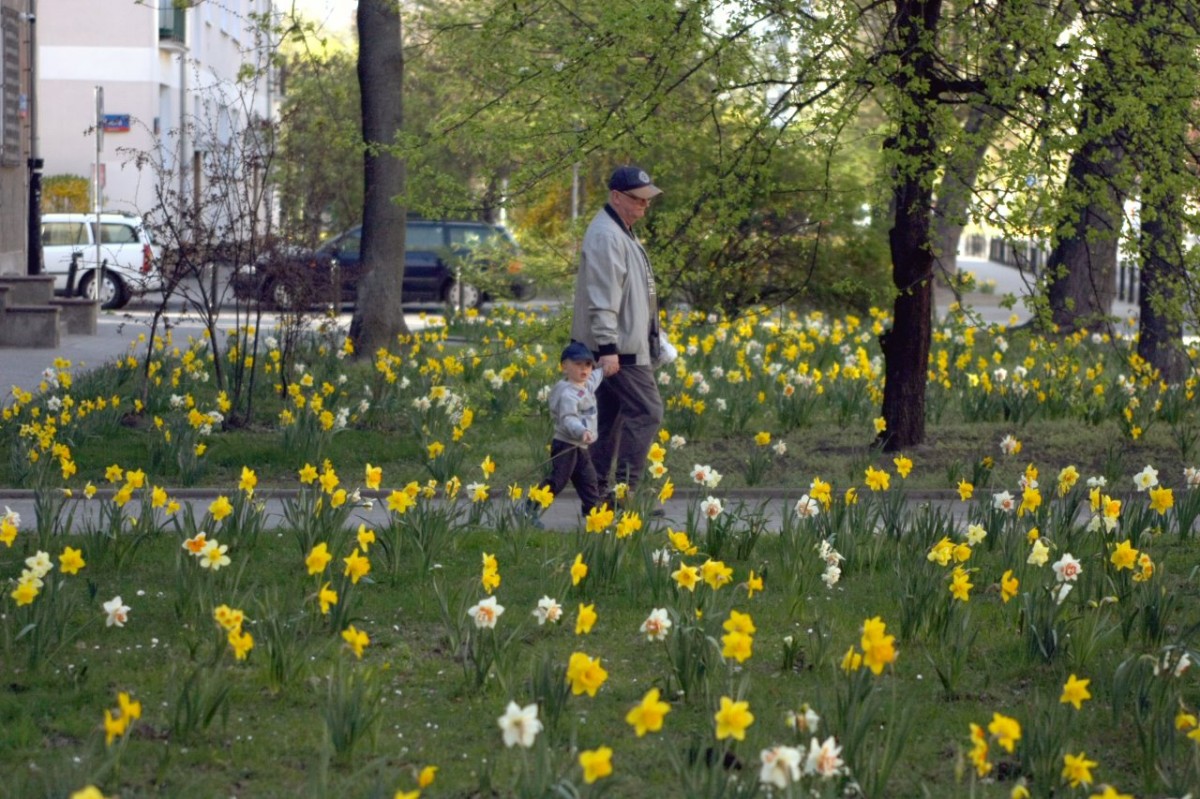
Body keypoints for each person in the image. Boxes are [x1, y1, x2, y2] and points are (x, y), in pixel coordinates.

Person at [570, 165, 665, 504]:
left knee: (607, 420)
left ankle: (595, 498)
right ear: (616, 197)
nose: (644, 206)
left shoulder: (620, 230)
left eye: (647, 200)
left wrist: (655, 335)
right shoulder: (607, 236)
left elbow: (633, 294)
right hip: (615, 351)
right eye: (638, 200)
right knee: (647, 411)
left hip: (619, 346)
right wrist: (609, 348)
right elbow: (602, 297)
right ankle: (623, 495)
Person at [535, 341, 604, 519]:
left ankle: (593, 515)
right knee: (557, 481)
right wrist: (581, 432)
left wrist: (604, 369)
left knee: (589, 481)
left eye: (588, 365)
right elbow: (568, 419)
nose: (584, 369)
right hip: (566, 445)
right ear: (565, 367)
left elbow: (594, 379)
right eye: (578, 364)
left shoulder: (585, 385)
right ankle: (530, 508)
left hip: (580, 447)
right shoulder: (568, 394)